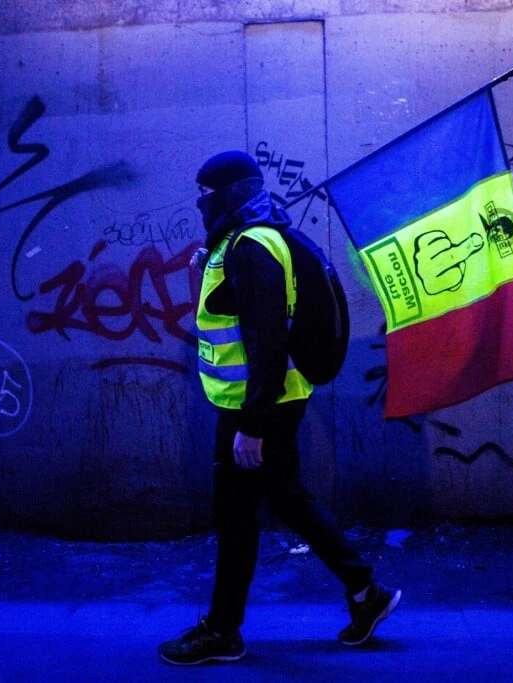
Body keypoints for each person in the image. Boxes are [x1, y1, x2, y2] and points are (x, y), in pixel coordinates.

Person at [158, 151, 400, 666]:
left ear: (226, 195)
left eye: (204, 194)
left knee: (237, 518)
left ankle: (222, 631)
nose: (199, 203)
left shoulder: (253, 246)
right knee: (287, 499)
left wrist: (252, 426)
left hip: (258, 406)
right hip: (269, 401)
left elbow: (267, 341)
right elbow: (233, 314)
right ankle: (366, 592)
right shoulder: (244, 241)